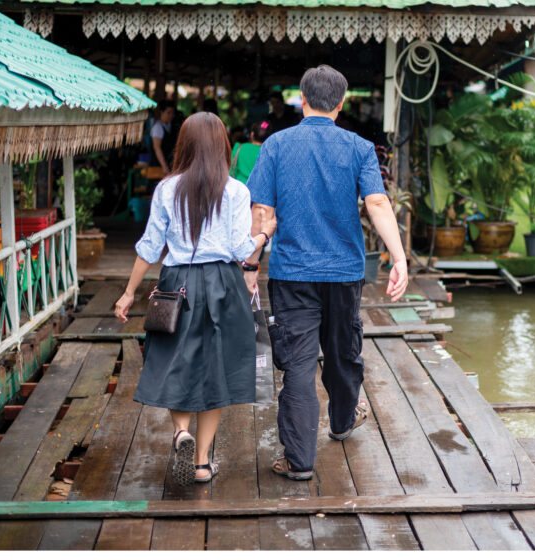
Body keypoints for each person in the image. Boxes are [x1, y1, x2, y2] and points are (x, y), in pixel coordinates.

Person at [245, 65, 408, 481]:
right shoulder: (358, 147)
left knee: (297, 365)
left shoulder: (276, 145)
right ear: (341, 103)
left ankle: (299, 461)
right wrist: (399, 257)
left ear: (302, 99)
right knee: (341, 352)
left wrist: (250, 262)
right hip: (344, 272)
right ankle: (341, 420)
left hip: (292, 273)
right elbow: (376, 204)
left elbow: (261, 211)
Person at [114, 112, 276, 486]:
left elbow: (150, 248)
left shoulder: (167, 189)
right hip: (222, 283)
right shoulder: (237, 191)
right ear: (223, 146)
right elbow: (240, 250)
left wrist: (127, 293)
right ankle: (202, 464)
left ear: (183, 145)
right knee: (216, 368)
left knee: (176, 360)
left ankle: (180, 431)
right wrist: (264, 233)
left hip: (177, 283)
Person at [149, 100, 175, 176]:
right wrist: (164, 167)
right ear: (162, 112)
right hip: (158, 168)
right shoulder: (158, 127)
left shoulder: (168, 126)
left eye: (172, 113)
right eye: (168, 113)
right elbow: (157, 147)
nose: (171, 115)